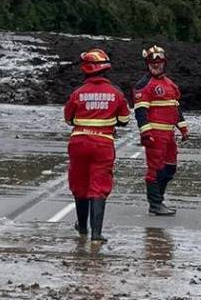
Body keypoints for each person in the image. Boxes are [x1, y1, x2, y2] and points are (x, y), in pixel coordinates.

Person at [65, 48, 131, 243]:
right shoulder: (116, 94)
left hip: (78, 143)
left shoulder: (77, 93)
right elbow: (124, 119)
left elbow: (68, 118)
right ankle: (96, 234)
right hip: (103, 144)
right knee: (99, 186)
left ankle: (83, 227)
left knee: (80, 184)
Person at [132, 45, 189, 216]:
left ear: (164, 63)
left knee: (170, 168)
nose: (156, 66)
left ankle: (159, 199)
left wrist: (183, 128)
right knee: (155, 169)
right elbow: (140, 112)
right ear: (147, 64)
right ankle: (155, 204)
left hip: (169, 134)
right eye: (152, 63)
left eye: (159, 62)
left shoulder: (169, 83)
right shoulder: (143, 84)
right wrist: (146, 133)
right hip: (155, 134)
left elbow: (175, 106)